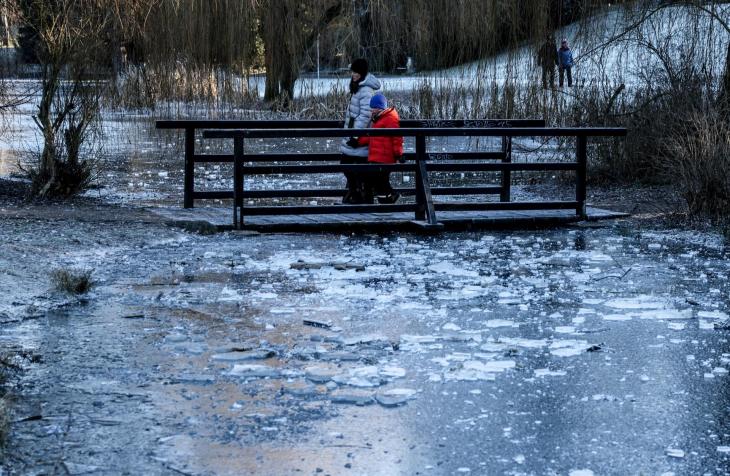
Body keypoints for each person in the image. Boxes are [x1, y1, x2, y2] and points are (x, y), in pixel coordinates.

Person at [340, 58, 382, 204]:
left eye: (356, 72)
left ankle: (360, 196)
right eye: (353, 72)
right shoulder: (358, 87)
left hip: (358, 135)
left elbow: (365, 115)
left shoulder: (365, 90)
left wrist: (356, 136)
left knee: (352, 166)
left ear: (362, 73)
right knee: (351, 166)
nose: (353, 74)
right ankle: (357, 195)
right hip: (353, 132)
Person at [356, 93, 403, 204]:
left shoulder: (390, 118)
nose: (372, 110)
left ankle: (390, 199)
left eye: (374, 108)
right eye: (371, 108)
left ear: (380, 107)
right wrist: (358, 142)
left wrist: (399, 154)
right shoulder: (379, 118)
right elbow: (372, 137)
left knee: (379, 181)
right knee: (380, 181)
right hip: (378, 157)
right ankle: (386, 202)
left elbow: (397, 137)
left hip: (384, 158)